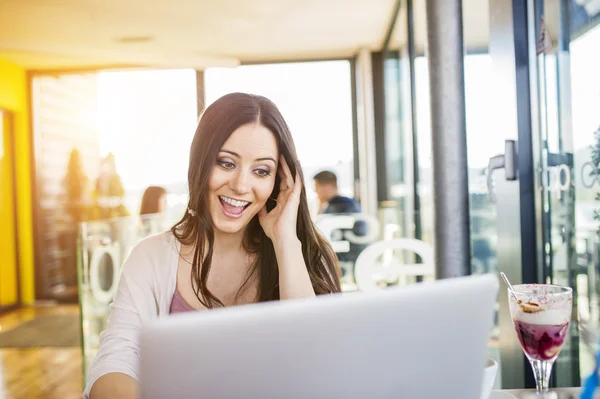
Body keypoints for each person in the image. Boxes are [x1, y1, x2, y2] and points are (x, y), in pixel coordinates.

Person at [84, 93, 341, 399]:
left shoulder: (308, 256)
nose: (241, 186)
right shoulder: (151, 257)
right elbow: (116, 360)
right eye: (226, 162)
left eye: (261, 171)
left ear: (281, 181)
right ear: (201, 162)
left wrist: (285, 239)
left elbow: (314, 369)